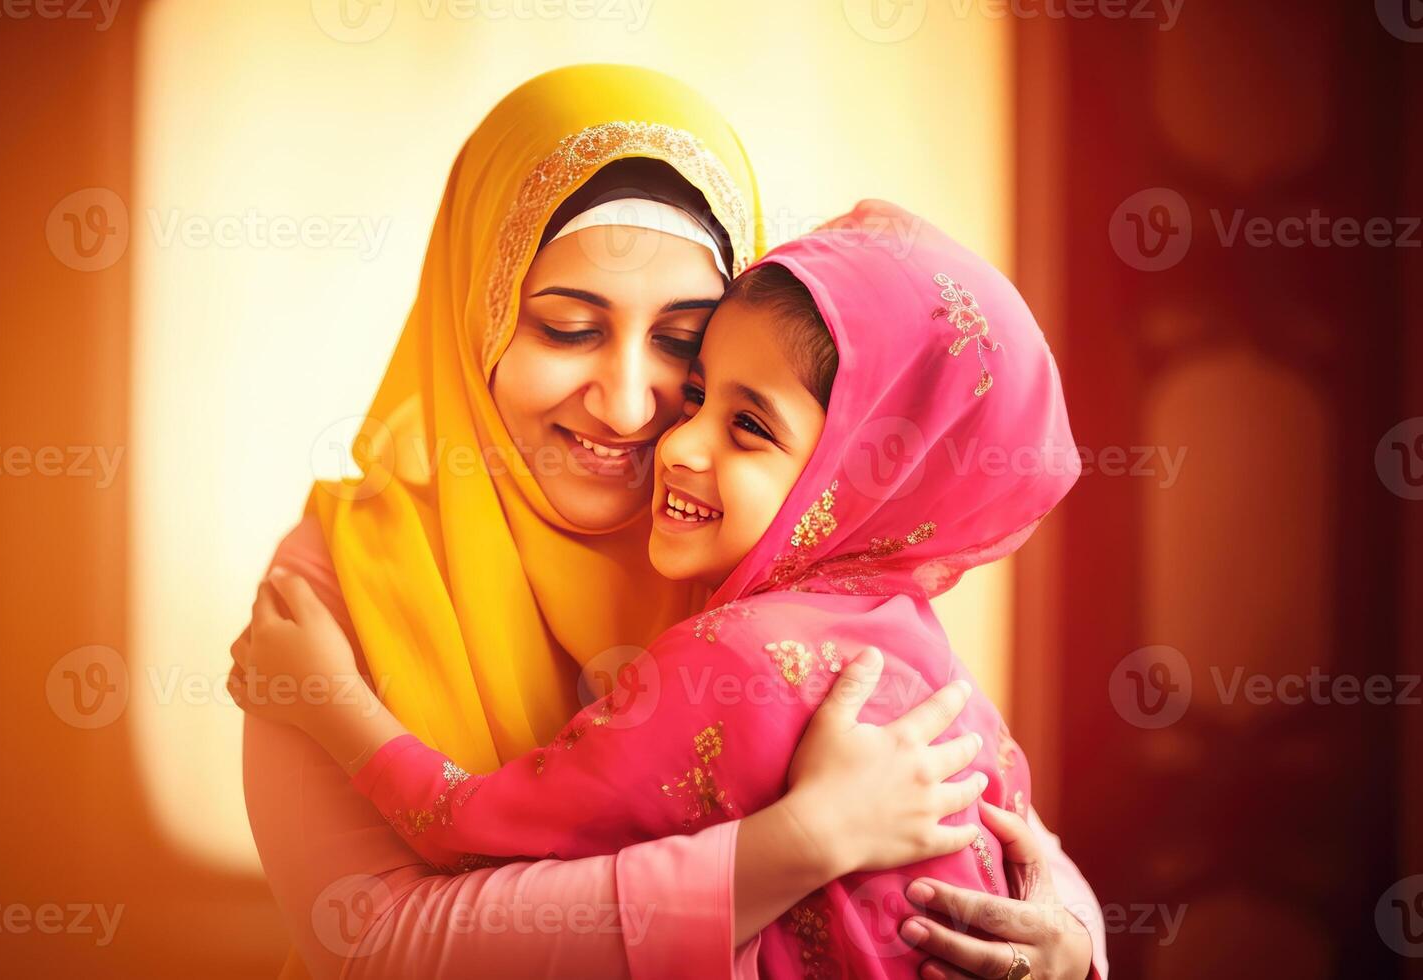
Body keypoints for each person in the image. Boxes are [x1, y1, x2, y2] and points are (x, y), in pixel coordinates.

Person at [236, 66, 1107, 979]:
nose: (625, 408)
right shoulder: (333, 581)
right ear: (476, 316)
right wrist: (791, 849)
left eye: (684, 347)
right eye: (568, 328)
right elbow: (372, 942)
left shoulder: (774, 542)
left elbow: (998, 821)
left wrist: (1063, 940)